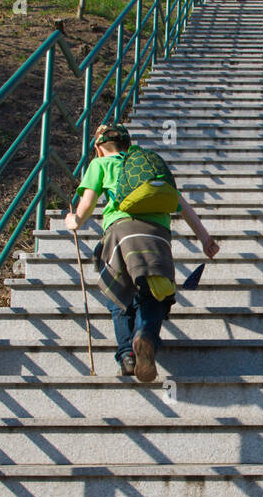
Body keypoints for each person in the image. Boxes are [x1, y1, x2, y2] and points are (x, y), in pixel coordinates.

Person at [65, 121, 220, 382]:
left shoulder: (100, 164)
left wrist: (74, 221)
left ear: (100, 147)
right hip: (156, 236)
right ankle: (145, 335)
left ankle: (127, 355)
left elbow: (87, 204)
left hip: (120, 234)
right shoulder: (146, 167)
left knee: (119, 295)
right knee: (154, 293)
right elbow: (181, 204)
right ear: (128, 144)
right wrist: (205, 238)